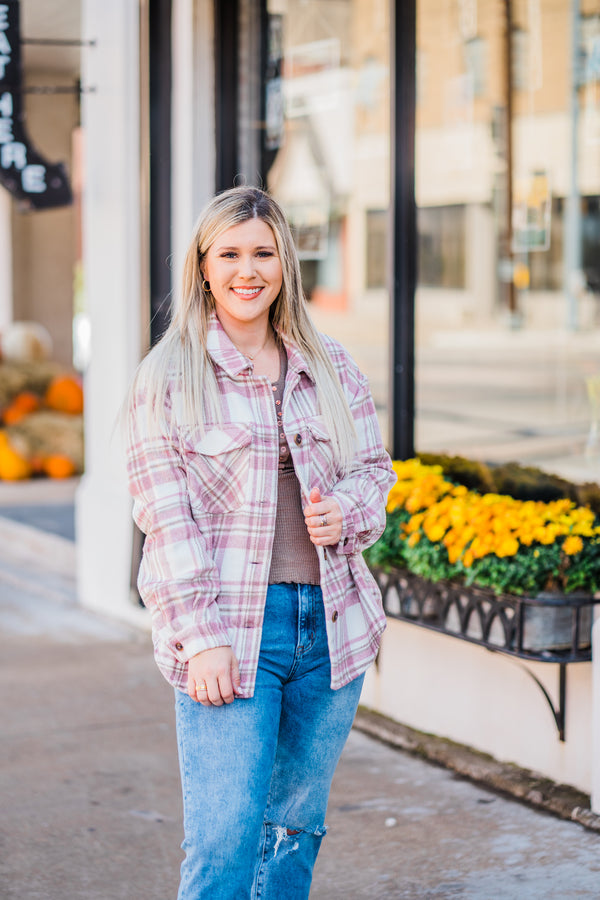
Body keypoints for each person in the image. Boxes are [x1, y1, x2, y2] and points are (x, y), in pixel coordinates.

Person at [125, 186, 396, 900]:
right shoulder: (169, 376)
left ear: (285, 265)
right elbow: (166, 520)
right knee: (223, 841)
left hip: (334, 629)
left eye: (263, 253)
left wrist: (347, 511)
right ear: (204, 267)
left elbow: (375, 471)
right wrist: (200, 639)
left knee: (295, 831)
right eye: (231, 254)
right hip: (235, 631)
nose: (248, 271)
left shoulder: (330, 364)